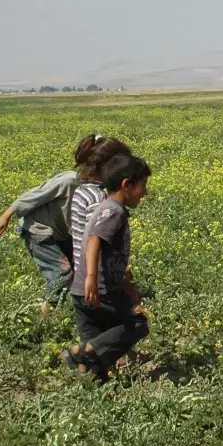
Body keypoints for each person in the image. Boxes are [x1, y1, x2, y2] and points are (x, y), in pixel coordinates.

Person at [0, 133, 110, 313]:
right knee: (62, 272)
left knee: (80, 265)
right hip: (38, 231)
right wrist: (6, 215)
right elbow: (34, 195)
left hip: (58, 232)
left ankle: (81, 306)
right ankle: (47, 313)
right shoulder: (69, 181)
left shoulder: (95, 190)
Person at [61, 154, 151, 381]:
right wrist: (92, 276)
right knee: (138, 324)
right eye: (143, 186)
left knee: (94, 367)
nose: (145, 193)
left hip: (81, 291)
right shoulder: (114, 211)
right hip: (99, 291)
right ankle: (82, 352)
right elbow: (94, 240)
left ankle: (88, 371)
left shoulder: (104, 207)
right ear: (126, 185)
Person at [69, 137, 133, 299]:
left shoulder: (82, 191)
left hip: (83, 275)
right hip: (99, 282)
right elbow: (96, 239)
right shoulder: (98, 199)